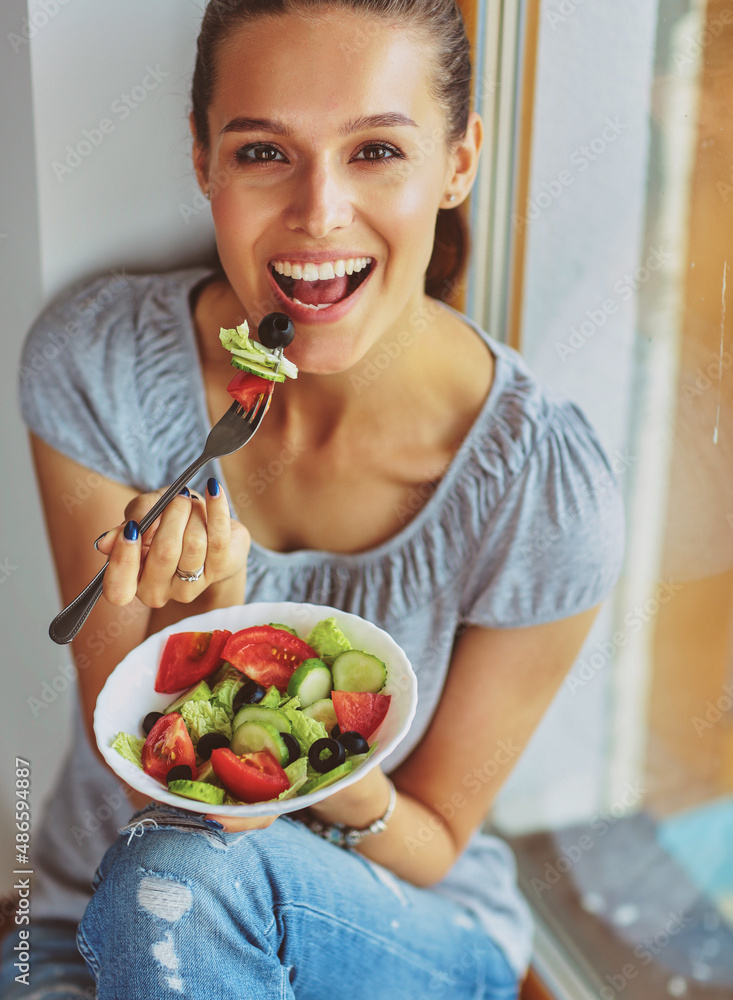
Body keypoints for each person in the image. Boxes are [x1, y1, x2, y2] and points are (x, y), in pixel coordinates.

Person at [1, 0, 625, 996]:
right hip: (97, 924)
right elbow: (141, 774)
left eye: (377, 149)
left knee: (182, 879)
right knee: (163, 895)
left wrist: (314, 760)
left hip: (391, 928)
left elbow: (427, 840)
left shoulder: (544, 495)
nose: (319, 211)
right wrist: (198, 624)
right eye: (262, 154)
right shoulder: (95, 366)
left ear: (459, 161)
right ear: (203, 159)